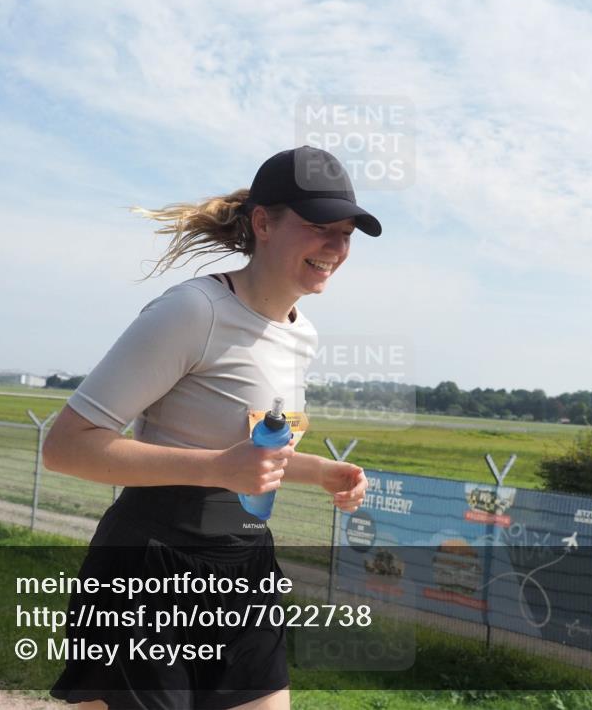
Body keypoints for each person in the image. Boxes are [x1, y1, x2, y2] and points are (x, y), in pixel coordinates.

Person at [44, 146, 379, 710]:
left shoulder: (304, 335)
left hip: (246, 566)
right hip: (149, 567)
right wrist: (218, 468)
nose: (336, 248)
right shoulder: (193, 310)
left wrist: (323, 472)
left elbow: (249, 455)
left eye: (345, 233)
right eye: (320, 228)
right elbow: (65, 447)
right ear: (263, 223)